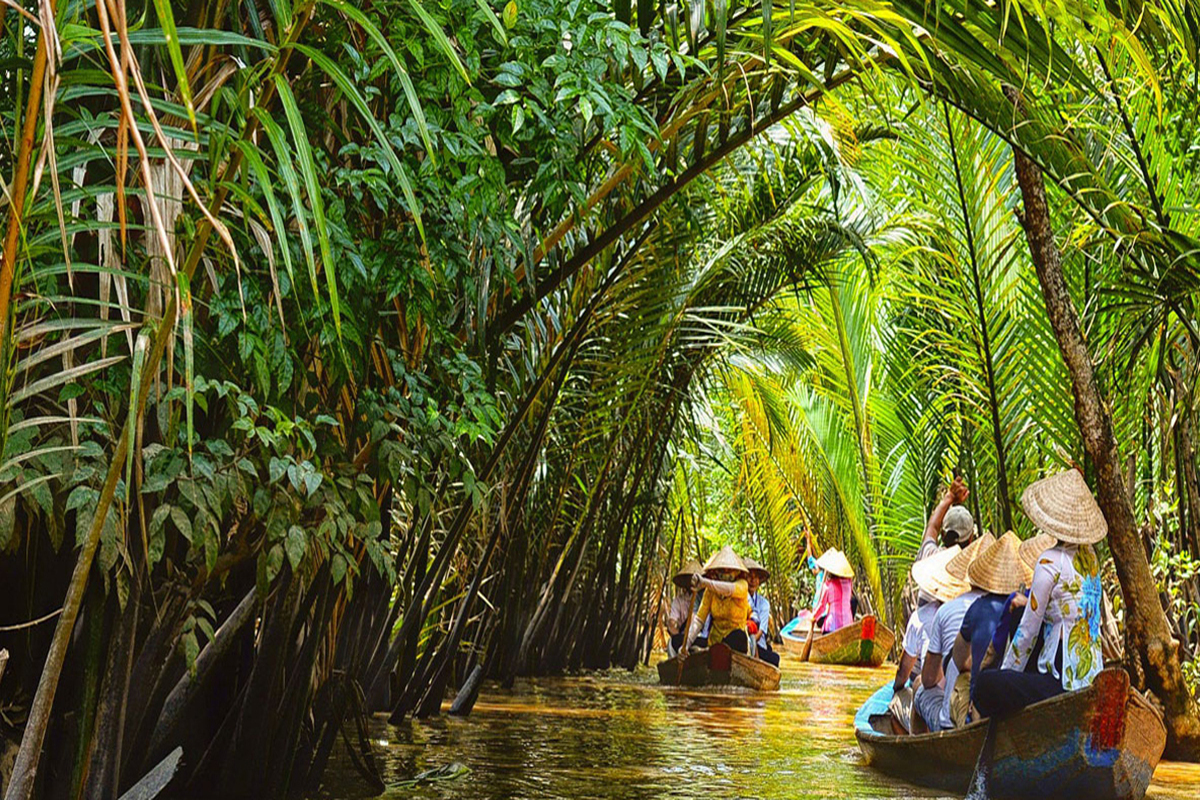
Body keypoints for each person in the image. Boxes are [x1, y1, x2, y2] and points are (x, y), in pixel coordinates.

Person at [975, 470, 1106, 719]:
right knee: (1020, 614)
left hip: (1060, 682)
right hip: (1090, 677)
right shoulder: (1091, 560)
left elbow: (1028, 631)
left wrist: (1007, 675)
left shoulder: (1049, 561)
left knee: (985, 684)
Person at [916, 532, 993, 731]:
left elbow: (928, 679)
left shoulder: (947, 610)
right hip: (989, 716)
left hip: (950, 723)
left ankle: (915, 746)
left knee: (919, 689)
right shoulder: (1010, 607)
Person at [951, 532, 1031, 724]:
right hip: (1020, 701)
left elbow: (958, 660)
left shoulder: (978, 608)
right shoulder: (1034, 606)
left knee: (962, 681)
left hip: (984, 708)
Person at [889, 545, 965, 732]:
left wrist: (896, 688)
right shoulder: (973, 608)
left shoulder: (924, 616)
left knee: (913, 688)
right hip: (965, 702)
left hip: (944, 707)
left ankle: (916, 743)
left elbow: (907, 671)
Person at [684, 546, 752, 655]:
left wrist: (705, 582)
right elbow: (699, 620)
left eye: (729, 570)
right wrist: (686, 644)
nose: (725, 572)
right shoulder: (710, 591)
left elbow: (729, 589)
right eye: (722, 570)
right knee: (678, 640)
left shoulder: (742, 585)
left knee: (739, 636)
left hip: (735, 644)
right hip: (714, 642)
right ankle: (709, 651)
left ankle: (709, 652)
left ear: (736, 572)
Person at [744, 557, 780, 667]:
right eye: (750, 576)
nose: (752, 580)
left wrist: (751, 644)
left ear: (759, 581)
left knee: (775, 658)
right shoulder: (738, 598)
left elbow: (761, 631)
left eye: (756, 577)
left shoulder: (764, 603)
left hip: (757, 643)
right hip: (742, 641)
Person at [811, 548, 855, 634]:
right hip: (848, 624)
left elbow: (822, 606)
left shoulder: (827, 586)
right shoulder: (849, 583)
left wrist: (813, 617)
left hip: (832, 627)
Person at [665, 560, 702, 656]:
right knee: (673, 642)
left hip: (700, 638)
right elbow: (672, 623)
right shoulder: (678, 601)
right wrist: (680, 637)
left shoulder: (705, 598)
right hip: (683, 638)